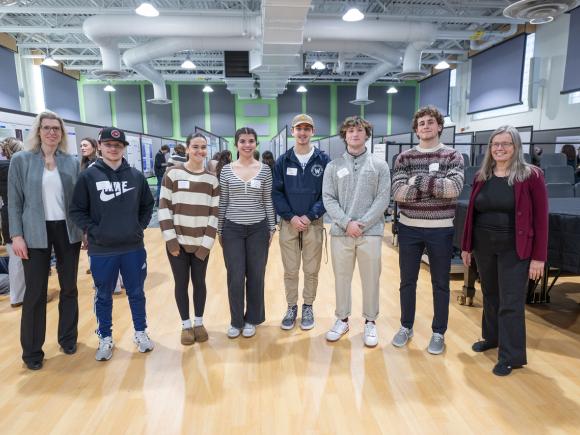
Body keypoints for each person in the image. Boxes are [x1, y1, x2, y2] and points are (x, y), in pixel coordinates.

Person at [461, 125, 548, 376]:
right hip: (484, 246)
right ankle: (491, 338)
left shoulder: (531, 175)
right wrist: (467, 246)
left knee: (510, 302)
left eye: (506, 144)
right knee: (489, 294)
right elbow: (471, 216)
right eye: (495, 144)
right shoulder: (482, 176)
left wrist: (538, 257)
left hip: (515, 249)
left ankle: (511, 356)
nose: (500, 148)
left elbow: (541, 220)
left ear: (516, 147)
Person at [70, 127, 155, 362]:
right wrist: (94, 231)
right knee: (104, 295)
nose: (113, 148)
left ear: (124, 148)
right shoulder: (88, 176)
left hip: (133, 247)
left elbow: (148, 205)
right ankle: (105, 337)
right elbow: (77, 210)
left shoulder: (136, 176)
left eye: (117, 145)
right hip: (102, 250)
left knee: (136, 293)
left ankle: (140, 332)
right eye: (108, 145)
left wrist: (139, 227)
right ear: (100, 147)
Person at [8, 111, 83, 370]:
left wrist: (83, 229)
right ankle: (31, 352)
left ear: (61, 134)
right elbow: (14, 202)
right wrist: (16, 235)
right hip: (34, 233)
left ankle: (68, 338)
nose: (52, 132)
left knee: (69, 287)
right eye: (47, 128)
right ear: (38, 131)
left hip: (67, 231)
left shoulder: (71, 162)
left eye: (56, 129)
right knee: (35, 293)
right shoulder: (21, 160)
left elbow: (77, 202)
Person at [391, 106, 464, 355]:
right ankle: (406, 326)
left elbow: (453, 189)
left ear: (439, 126)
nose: (425, 126)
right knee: (407, 282)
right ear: (416, 128)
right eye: (421, 123)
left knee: (440, 283)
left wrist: (417, 181)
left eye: (430, 122)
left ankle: (438, 332)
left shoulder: (453, 156)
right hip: (409, 227)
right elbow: (399, 193)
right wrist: (434, 188)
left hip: (441, 229)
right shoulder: (404, 158)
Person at [322, 116, 390, 347]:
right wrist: (346, 222)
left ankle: (370, 321)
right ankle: (342, 319)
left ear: (366, 134)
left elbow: (383, 198)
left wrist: (362, 224)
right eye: (350, 130)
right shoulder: (333, 166)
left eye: (359, 130)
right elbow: (328, 198)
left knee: (371, 279)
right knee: (342, 279)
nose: (354, 134)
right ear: (344, 135)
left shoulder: (379, 165)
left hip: (370, 233)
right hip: (342, 233)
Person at [158, 133, 219, 345]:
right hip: (177, 245)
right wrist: (171, 241)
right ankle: (185, 325)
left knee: (199, 283)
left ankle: (199, 322)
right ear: (187, 148)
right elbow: (164, 208)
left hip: (201, 244)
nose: (199, 151)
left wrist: (206, 244)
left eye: (203, 147)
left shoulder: (212, 179)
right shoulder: (172, 174)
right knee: (181, 283)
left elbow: (214, 214)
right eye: (195, 146)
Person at [272, 114, 329, 331]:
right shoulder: (283, 161)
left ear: (313, 132)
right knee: (290, 269)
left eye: (307, 129)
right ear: (293, 132)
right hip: (289, 223)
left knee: (311, 269)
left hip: (313, 223)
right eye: (299, 129)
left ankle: (308, 306)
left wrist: (309, 216)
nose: (303, 133)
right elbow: (276, 193)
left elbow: (328, 194)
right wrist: (291, 217)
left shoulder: (324, 161)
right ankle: (291, 307)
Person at [218, 127, 276, 339]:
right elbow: (223, 201)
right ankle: (236, 320)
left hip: (258, 229)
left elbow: (267, 199)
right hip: (232, 228)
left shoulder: (265, 170)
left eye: (251, 141)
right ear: (236, 144)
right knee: (235, 276)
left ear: (256, 144)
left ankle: (252, 318)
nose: (247, 145)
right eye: (242, 141)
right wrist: (219, 229)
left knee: (256, 275)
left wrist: (272, 227)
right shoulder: (226, 170)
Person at [0, 137, 26, 307]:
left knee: (15, 259)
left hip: (7, 216)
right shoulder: (21, 166)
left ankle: (17, 297)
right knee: (23, 261)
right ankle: (23, 296)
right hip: (23, 215)